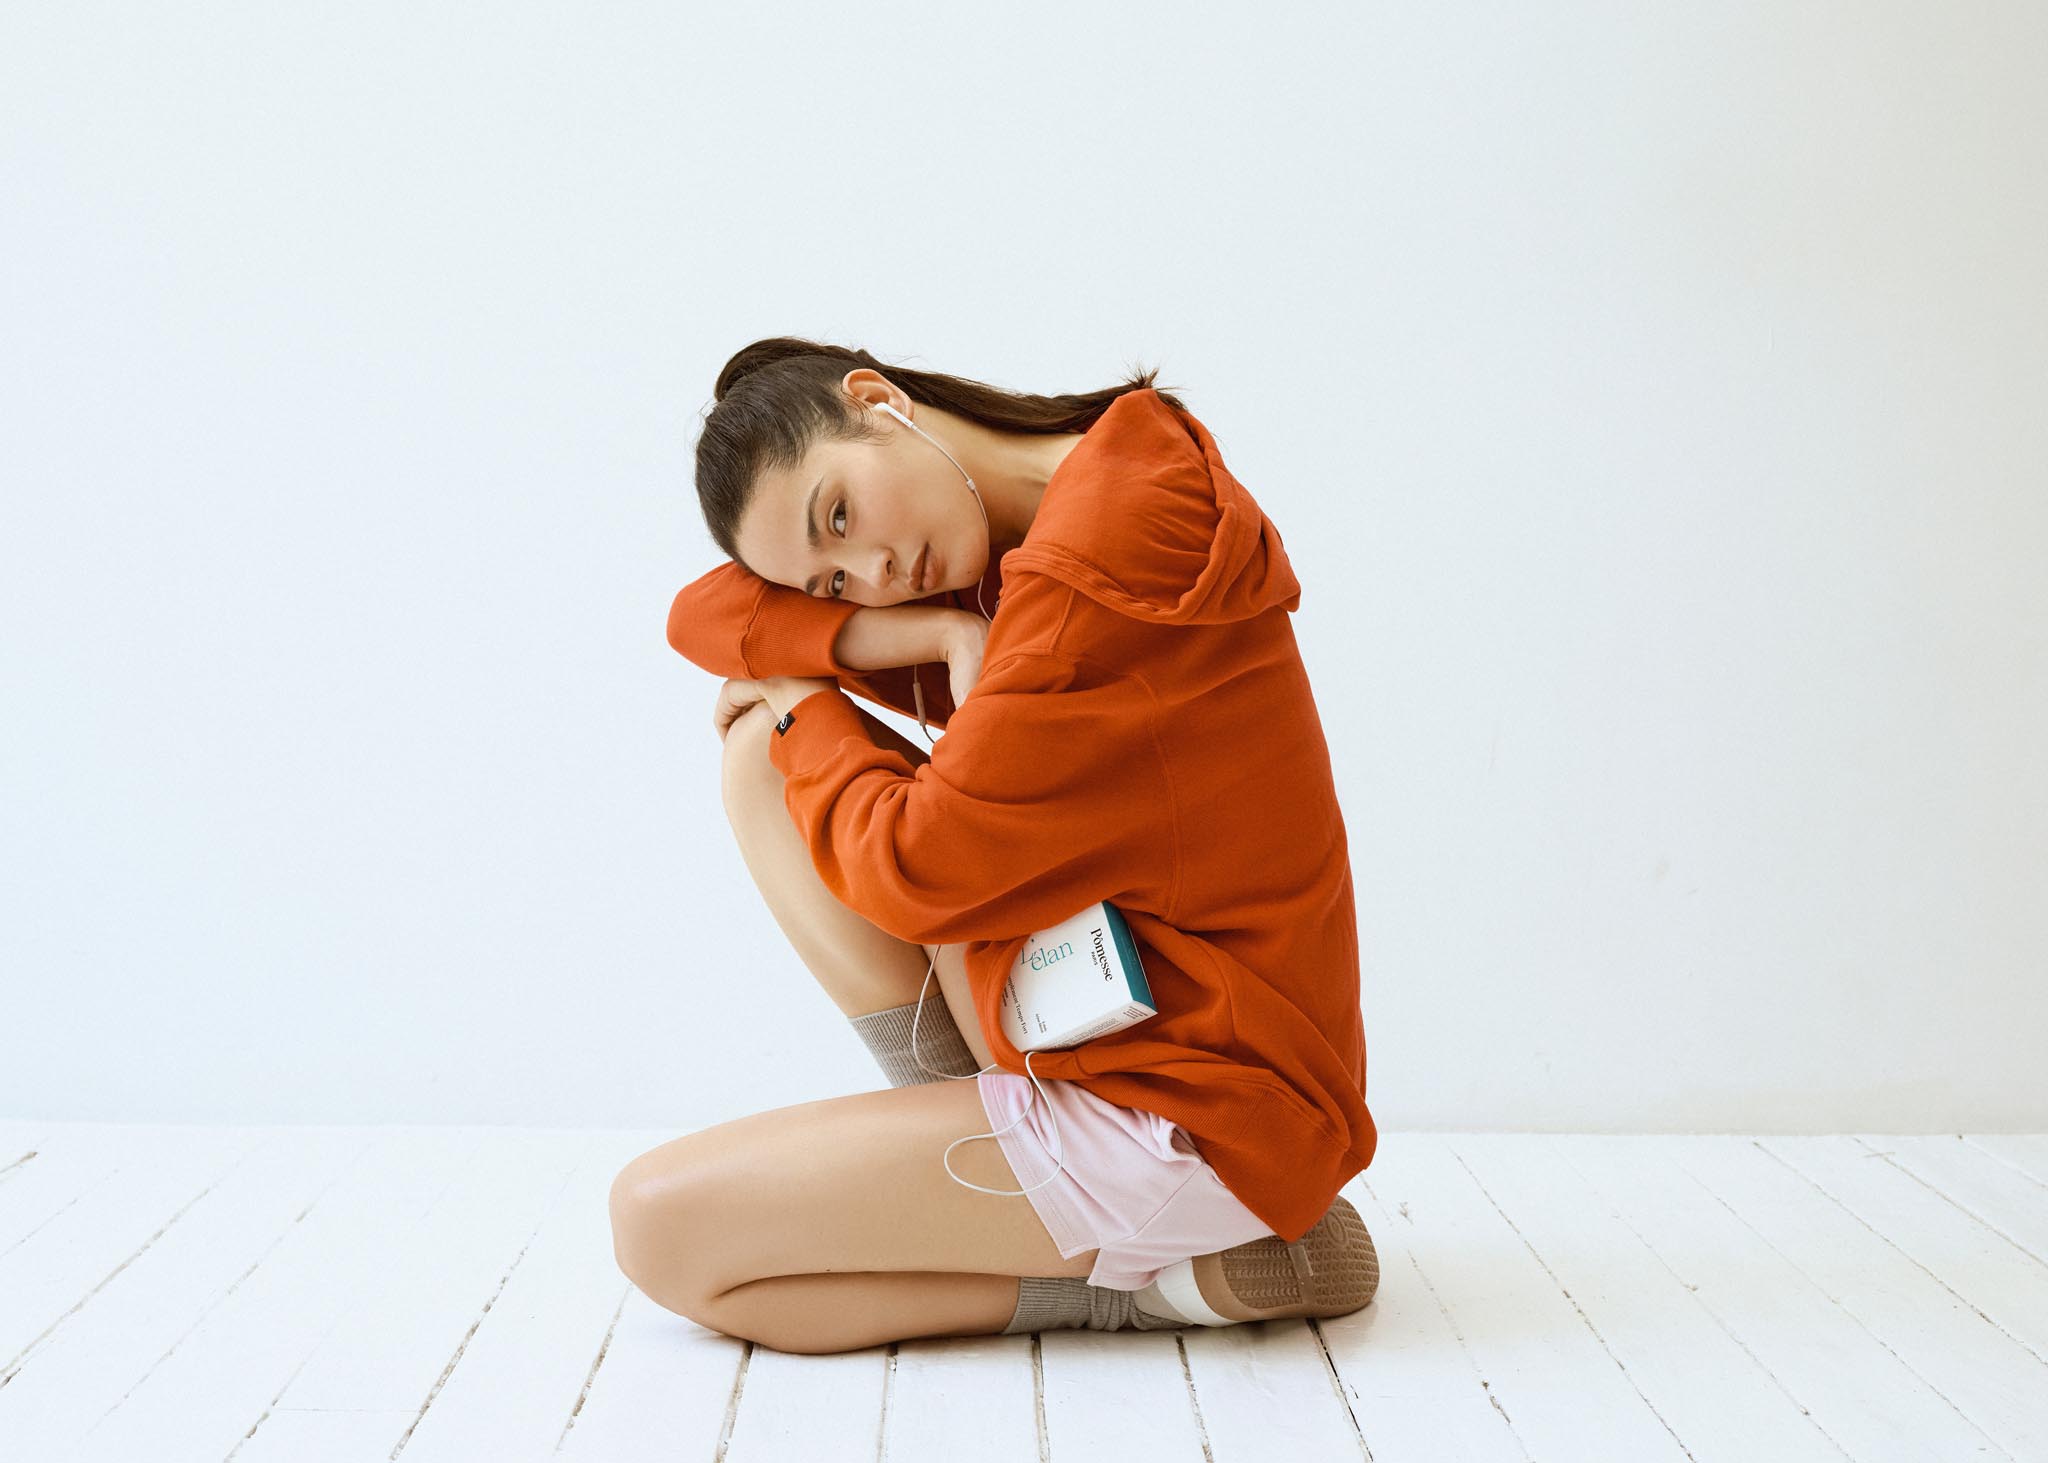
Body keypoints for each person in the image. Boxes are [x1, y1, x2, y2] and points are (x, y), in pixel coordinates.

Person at [608, 337, 1379, 1355]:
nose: (874, 575)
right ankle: (1023, 1182)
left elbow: (912, 870)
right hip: (1132, 1026)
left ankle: (1131, 1288)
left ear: (876, 401)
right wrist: (923, 637)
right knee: (759, 756)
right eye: (834, 581)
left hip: (1198, 1115)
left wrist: (804, 694)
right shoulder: (1067, 490)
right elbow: (702, 613)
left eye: (839, 515)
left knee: (659, 1228)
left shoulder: (1091, 569)